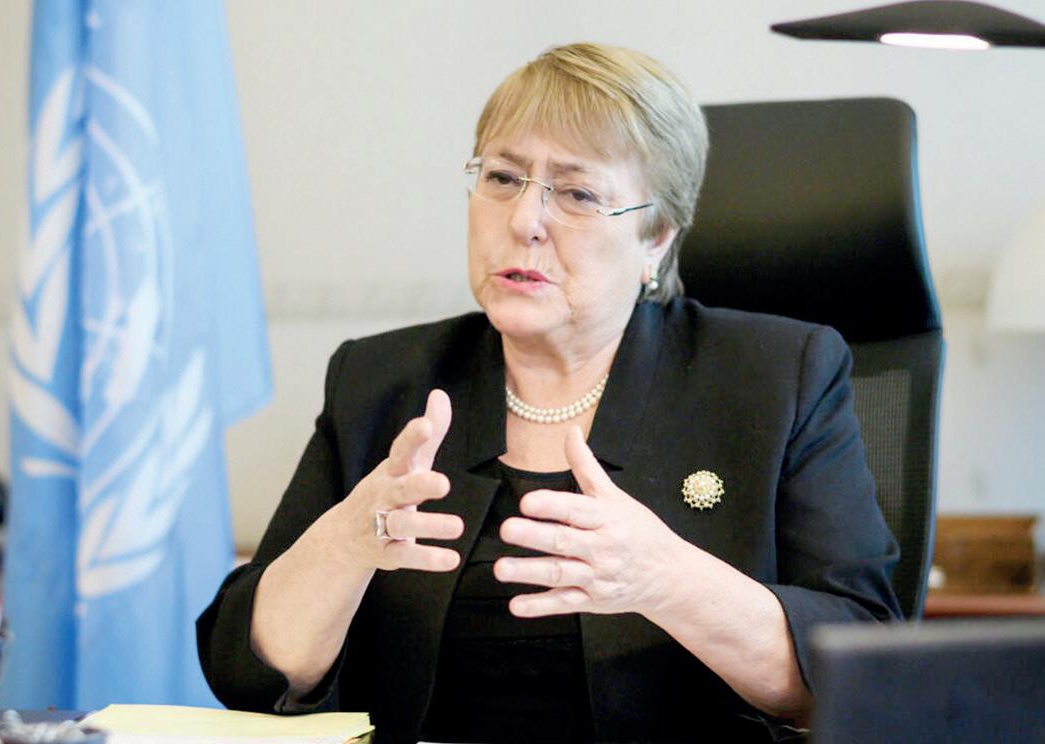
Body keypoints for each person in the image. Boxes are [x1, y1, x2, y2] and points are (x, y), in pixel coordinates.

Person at [197, 43, 900, 743]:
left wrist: (666, 580)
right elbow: (245, 673)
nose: (523, 220)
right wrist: (342, 547)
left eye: (577, 193)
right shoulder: (382, 381)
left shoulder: (777, 377)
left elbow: (863, 668)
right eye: (503, 178)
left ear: (655, 237)